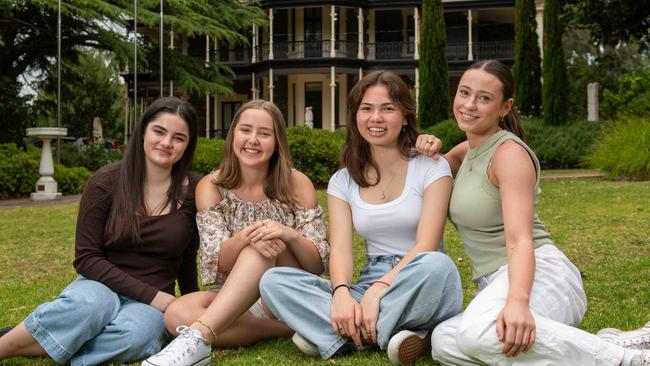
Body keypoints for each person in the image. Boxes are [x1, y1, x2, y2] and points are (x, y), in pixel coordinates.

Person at [416, 59, 650, 365]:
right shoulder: (466, 151)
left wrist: (518, 301)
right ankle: (603, 344)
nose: (469, 105)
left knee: (475, 334)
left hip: (540, 275)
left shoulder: (509, 154)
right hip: (497, 283)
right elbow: (425, 175)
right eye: (464, 93)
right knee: (445, 341)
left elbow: (520, 239)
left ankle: (626, 360)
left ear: (505, 107)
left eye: (484, 98)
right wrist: (427, 144)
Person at [259, 70, 464, 366]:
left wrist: (380, 290)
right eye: (366, 109)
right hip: (367, 282)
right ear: (356, 116)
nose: (375, 118)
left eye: (388, 108)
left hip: (416, 276)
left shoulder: (431, 167)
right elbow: (341, 249)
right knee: (273, 281)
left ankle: (339, 333)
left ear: (405, 117)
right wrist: (342, 292)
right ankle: (395, 331)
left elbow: (428, 244)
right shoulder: (342, 181)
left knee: (439, 267)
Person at [0, 97, 201, 365]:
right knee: (89, 307)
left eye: (178, 137)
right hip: (100, 286)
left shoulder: (194, 191)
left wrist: (189, 308)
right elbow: (86, 258)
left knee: (136, 336)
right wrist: (156, 297)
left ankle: (53, 341)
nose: (166, 143)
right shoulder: (105, 183)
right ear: (143, 131)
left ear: (187, 145)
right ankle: (5, 345)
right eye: (159, 131)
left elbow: (187, 259)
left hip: (150, 307)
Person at [142, 99, 329, 366]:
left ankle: (200, 337)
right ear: (233, 136)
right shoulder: (212, 186)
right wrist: (244, 237)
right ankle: (289, 329)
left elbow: (316, 266)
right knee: (176, 314)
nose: (252, 140)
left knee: (263, 244)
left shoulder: (296, 183)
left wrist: (288, 234)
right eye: (245, 130)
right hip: (236, 294)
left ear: (277, 143)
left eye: (264, 134)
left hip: (289, 291)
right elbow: (216, 263)